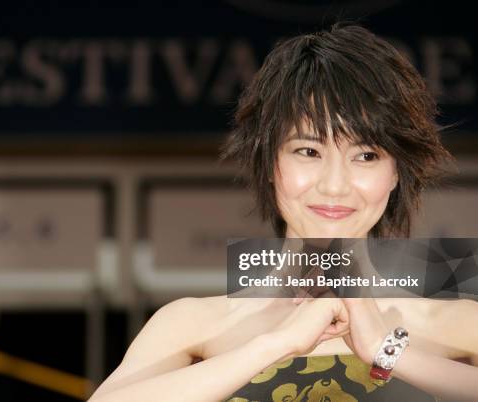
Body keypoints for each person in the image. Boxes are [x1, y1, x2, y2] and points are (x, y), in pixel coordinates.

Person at [88, 22, 478, 402]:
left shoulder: (456, 325)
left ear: (396, 173)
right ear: (270, 163)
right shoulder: (193, 324)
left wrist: (384, 348)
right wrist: (274, 345)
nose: (334, 185)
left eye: (366, 155)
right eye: (308, 152)